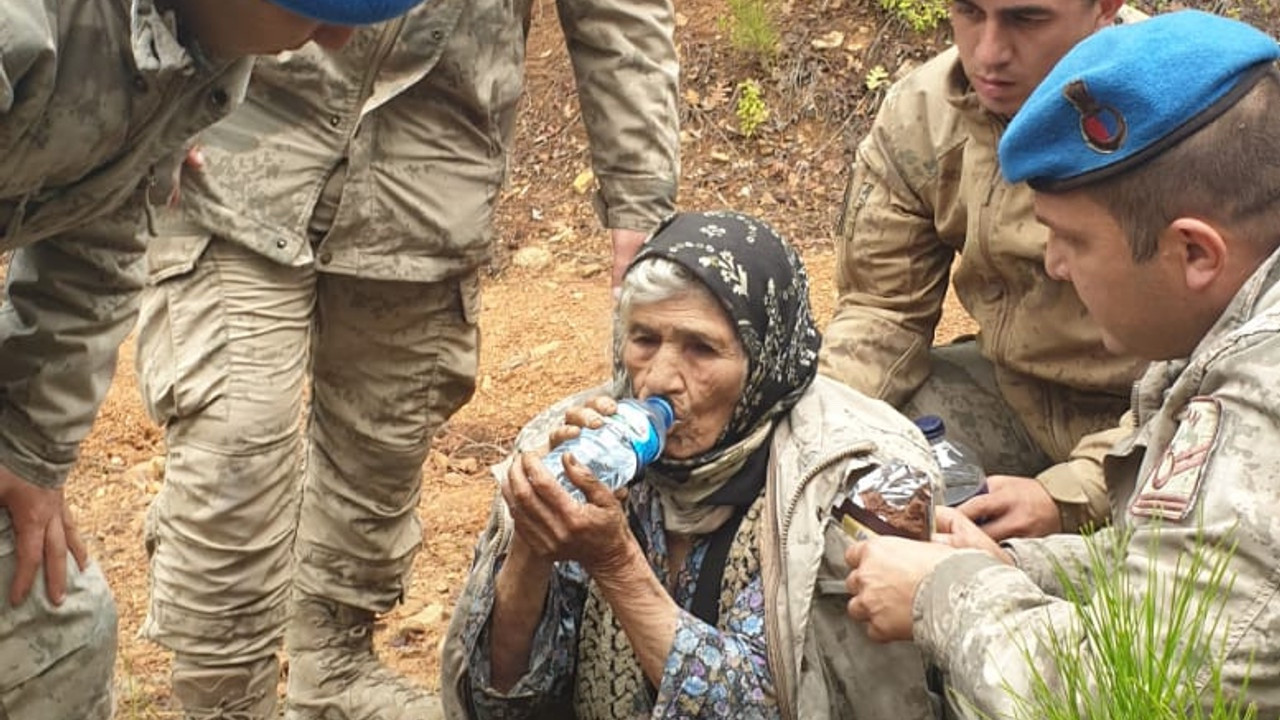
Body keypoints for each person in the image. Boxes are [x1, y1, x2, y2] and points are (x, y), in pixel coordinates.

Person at [132, 2, 679, 717]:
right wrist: (144, 86)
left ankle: (331, 669)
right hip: (241, 133)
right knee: (233, 444)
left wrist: (639, 190)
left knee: (379, 448)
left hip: (433, 161)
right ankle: (224, 698)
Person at [845, 11, 1280, 714]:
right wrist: (1009, 566)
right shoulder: (1228, 324)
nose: (1052, 264)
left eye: (1071, 240)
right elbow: (1165, 565)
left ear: (1195, 253)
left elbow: (1137, 691)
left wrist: (941, 595)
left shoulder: (1259, 403)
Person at [0, 1, 422, 718]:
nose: (340, 39)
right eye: (315, 6)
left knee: (57, 632)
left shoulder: (198, 47)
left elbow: (101, 231)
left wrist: (27, 448)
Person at [439, 211, 941, 720]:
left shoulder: (856, 476)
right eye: (644, 340)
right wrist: (532, 542)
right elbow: (498, 702)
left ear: (766, 358)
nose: (658, 379)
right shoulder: (577, 441)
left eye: (701, 349)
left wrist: (615, 563)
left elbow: (783, 706)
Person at [818, 0, 1149, 541]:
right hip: (1013, 392)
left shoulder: (1188, 122)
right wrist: (816, 427)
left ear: (1104, 9)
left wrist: (1072, 493)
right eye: (969, 12)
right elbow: (883, 312)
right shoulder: (923, 116)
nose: (988, 53)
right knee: (843, 467)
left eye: (1027, 19)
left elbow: (1219, 368)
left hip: (1163, 410)